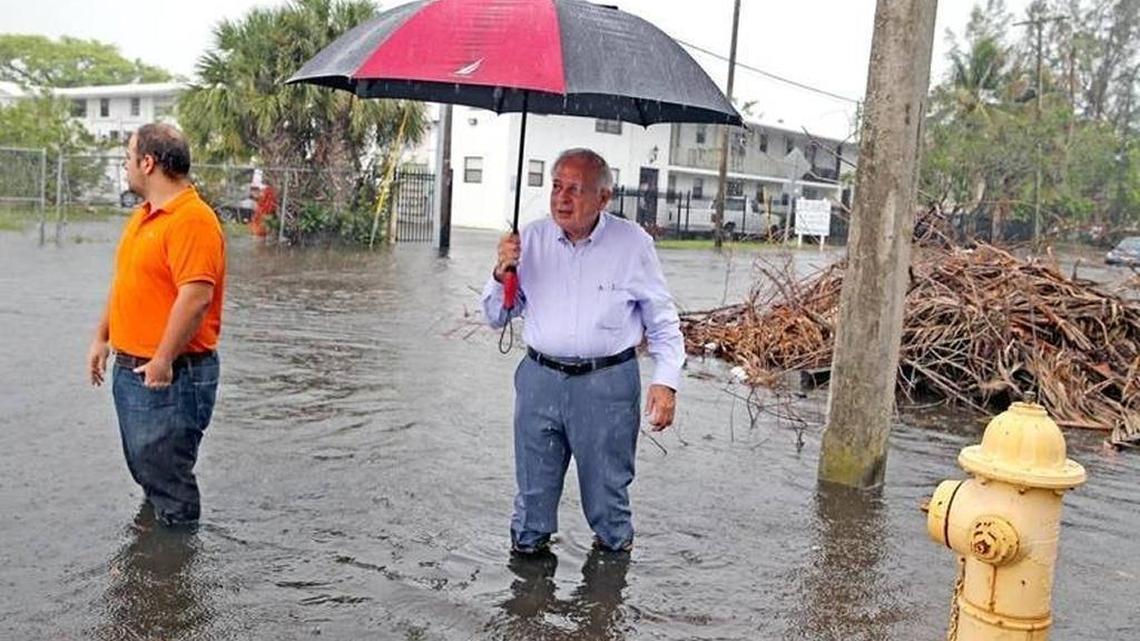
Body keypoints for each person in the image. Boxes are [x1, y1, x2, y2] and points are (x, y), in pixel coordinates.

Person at [482, 148, 684, 555]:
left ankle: (606, 602)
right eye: (557, 186)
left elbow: (662, 319)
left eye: (575, 189)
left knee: (609, 504)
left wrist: (666, 382)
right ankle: (526, 606)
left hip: (607, 385)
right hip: (539, 380)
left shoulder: (632, 244)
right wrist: (501, 271)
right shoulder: (529, 240)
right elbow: (495, 316)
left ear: (604, 198)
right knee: (531, 502)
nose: (562, 198)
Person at [87, 123, 226, 527]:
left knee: (170, 483)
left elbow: (196, 297)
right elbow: (126, 281)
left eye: (129, 158)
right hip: (136, 370)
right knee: (151, 474)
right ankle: (154, 557)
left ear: (147, 163)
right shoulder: (144, 216)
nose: (126, 167)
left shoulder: (192, 219)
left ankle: (173, 571)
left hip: (169, 375)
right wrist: (102, 337)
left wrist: (163, 360)